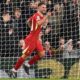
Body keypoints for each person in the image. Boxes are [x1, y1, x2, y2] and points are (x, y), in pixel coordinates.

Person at [10, 2, 51, 78]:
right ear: (38, 8)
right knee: (25, 56)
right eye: (43, 7)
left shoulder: (37, 16)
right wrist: (47, 16)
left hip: (36, 39)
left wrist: (33, 28)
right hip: (31, 39)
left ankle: (27, 65)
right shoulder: (37, 15)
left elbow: (28, 21)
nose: (45, 9)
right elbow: (38, 23)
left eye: (45, 7)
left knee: (42, 54)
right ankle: (14, 70)